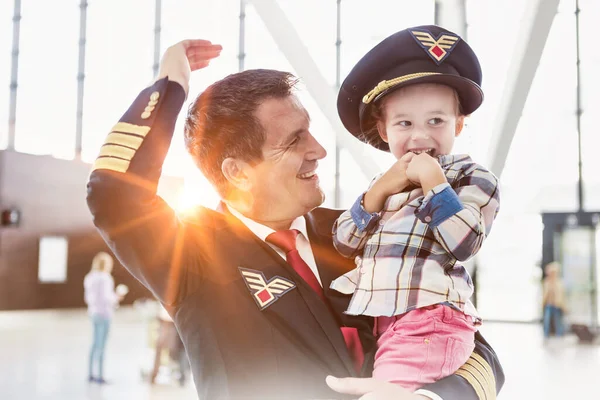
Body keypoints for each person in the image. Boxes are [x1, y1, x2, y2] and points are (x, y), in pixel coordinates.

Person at [86, 37, 504, 399]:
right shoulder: (195, 256)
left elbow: (475, 348)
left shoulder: (359, 231)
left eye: (311, 130)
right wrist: (169, 86)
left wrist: (431, 397)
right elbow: (114, 194)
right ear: (238, 172)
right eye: (294, 140)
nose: (319, 150)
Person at [329, 25, 500, 392]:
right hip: (389, 323)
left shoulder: (470, 176)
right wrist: (379, 192)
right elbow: (343, 242)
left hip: (431, 321)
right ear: (384, 129)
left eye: (436, 121)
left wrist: (436, 186)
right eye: (404, 123)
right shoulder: (385, 183)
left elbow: (465, 243)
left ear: (459, 123)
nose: (420, 136)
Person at [83, 251, 125, 384]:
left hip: (93, 313)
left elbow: (87, 298)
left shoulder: (89, 277)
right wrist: (117, 297)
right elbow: (107, 298)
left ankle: (90, 374)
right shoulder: (105, 278)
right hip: (105, 314)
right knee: (102, 346)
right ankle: (100, 376)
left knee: (94, 344)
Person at [542, 261, 566, 339]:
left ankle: (559, 335)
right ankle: (546, 335)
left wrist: (564, 306)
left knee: (558, 321)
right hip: (548, 304)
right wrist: (543, 303)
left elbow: (561, 295)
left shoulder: (559, 282)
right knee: (546, 320)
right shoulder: (547, 282)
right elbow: (545, 294)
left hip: (557, 304)